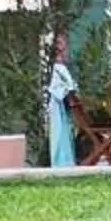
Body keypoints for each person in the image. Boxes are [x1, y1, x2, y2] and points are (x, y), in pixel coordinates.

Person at [45, 30, 78, 171]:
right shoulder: (57, 66)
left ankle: (65, 160)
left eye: (63, 42)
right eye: (59, 42)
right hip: (57, 103)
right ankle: (60, 161)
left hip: (62, 104)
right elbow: (65, 85)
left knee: (64, 132)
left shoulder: (62, 66)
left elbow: (70, 85)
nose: (62, 46)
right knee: (58, 132)